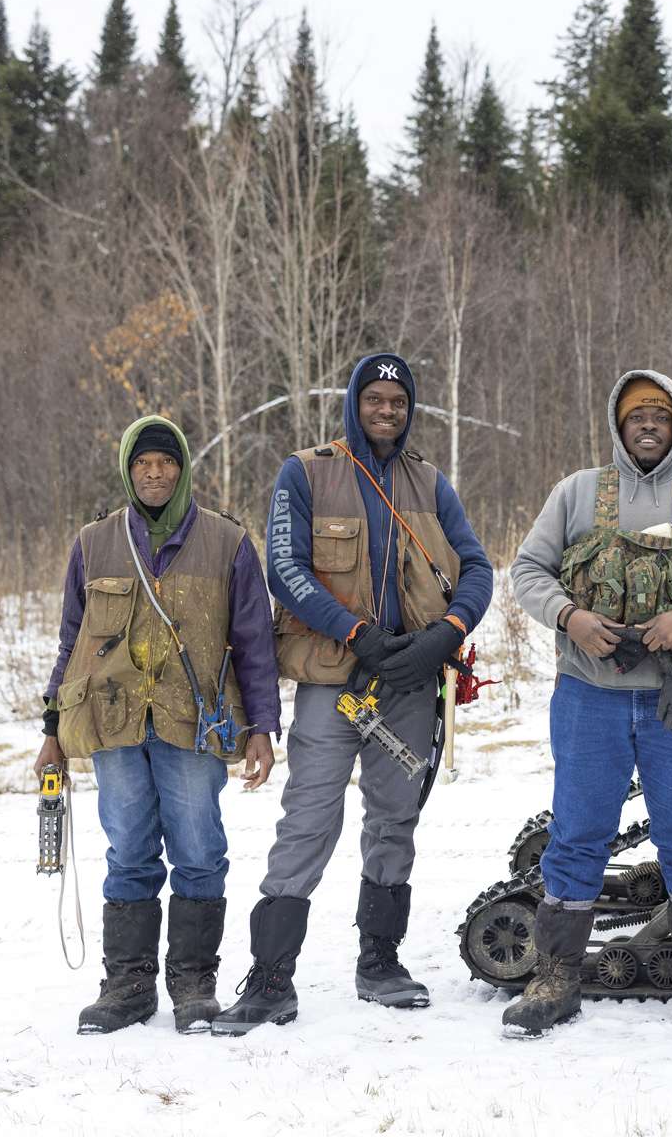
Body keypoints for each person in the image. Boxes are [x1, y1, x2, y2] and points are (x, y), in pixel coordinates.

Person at [212, 353, 494, 1035]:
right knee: (309, 819)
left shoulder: (430, 481)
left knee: (395, 820)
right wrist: (356, 632)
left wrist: (444, 635)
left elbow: (479, 566)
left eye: (398, 401)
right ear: (354, 404)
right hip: (332, 681)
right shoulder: (304, 472)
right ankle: (272, 980)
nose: (387, 410)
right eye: (375, 399)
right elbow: (284, 568)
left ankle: (381, 963)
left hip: (409, 681)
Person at [505, 370, 672, 1038]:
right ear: (619, 426)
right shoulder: (578, 493)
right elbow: (527, 570)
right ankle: (556, 976)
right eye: (635, 415)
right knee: (576, 835)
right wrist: (570, 617)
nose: (647, 423)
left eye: (659, 414)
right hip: (588, 697)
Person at [38, 415, 280, 1035]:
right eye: (143, 462)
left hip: (195, 723)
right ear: (127, 468)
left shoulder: (227, 542)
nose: (155, 472)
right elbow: (72, 640)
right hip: (114, 724)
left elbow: (254, 639)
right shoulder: (94, 542)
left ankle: (194, 982)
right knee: (129, 852)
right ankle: (127, 985)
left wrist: (261, 727)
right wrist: (51, 733)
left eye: (166, 462)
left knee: (199, 851)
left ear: (183, 469)